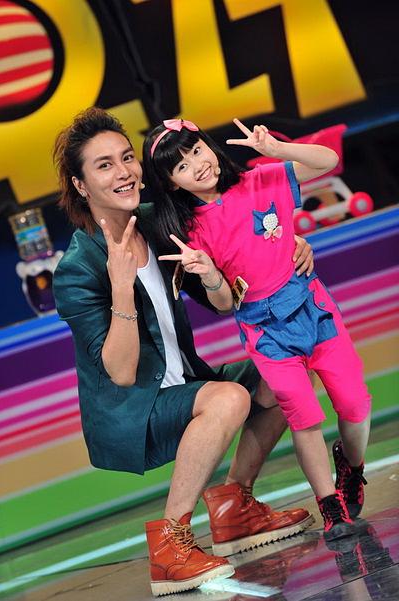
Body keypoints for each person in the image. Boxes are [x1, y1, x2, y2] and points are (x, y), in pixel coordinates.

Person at [52, 108, 316, 597]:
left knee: (286, 369)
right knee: (229, 398)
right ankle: (170, 545)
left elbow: (225, 289)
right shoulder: (78, 268)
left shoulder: (159, 221)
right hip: (133, 410)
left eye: (126, 158)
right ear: (81, 185)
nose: (124, 172)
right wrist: (121, 286)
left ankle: (235, 508)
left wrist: (289, 244)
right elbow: (121, 373)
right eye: (104, 165)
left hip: (187, 383)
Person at [142, 117, 371, 544]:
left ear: (210, 147)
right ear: (171, 183)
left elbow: (328, 160)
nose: (197, 165)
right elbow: (224, 303)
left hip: (314, 310)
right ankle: (330, 507)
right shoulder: (189, 232)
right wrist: (209, 274)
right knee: (303, 416)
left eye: (197, 150)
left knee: (354, 403)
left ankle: (351, 468)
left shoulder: (262, 179)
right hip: (266, 334)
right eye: (181, 166)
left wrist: (278, 150)